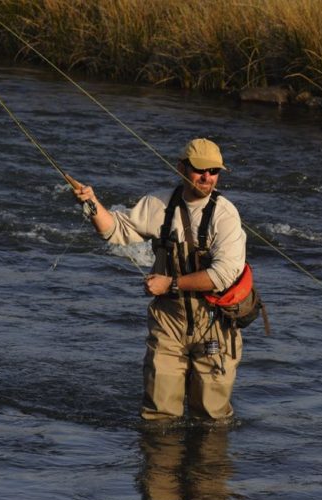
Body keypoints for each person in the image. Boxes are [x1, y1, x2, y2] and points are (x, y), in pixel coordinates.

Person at [74, 138, 246, 421]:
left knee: (212, 418)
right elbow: (116, 231)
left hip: (216, 323)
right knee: (159, 416)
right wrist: (91, 204)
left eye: (214, 171)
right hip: (169, 322)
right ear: (181, 169)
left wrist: (170, 284)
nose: (207, 177)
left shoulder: (225, 214)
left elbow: (223, 275)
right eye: (200, 170)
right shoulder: (157, 205)